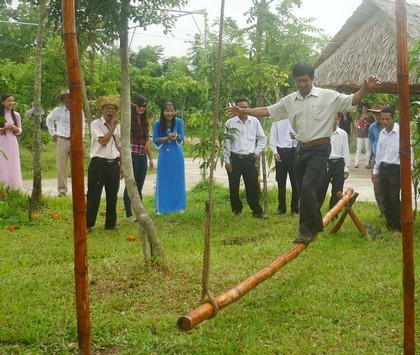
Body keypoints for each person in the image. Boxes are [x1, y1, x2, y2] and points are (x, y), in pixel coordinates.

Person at [225, 62, 380, 244]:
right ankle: (316, 224)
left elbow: (351, 100)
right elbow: (268, 111)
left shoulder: (327, 96)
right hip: (300, 149)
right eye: (298, 81)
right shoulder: (290, 100)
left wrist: (365, 88)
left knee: (307, 188)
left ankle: (305, 231)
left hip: (320, 150)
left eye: (305, 81)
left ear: (312, 79)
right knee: (301, 190)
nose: (302, 85)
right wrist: (243, 111)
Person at [223, 97, 267, 219]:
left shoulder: (254, 121)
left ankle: (257, 211)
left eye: (245, 107)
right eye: (240, 107)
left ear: (249, 107)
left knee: (252, 185)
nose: (243, 109)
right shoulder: (230, 123)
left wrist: (257, 152)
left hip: (249, 159)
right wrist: (227, 161)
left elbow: (263, 138)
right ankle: (236, 210)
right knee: (234, 185)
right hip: (235, 159)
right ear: (236, 108)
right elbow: (226, 144)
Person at [86, 96, 121, 232]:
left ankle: (111, 224)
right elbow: (103, 142)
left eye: (113, 109)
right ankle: (88, 224)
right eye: (107, 108)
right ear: (102, 110)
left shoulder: (118, 125)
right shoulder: (96, 124)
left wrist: (122, 165)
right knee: (94, 195)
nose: (110, 111)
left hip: (113, 164)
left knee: (112, 195)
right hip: (98, 164)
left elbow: (120, 146)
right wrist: (112, 128)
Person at [372, 106, 408, 233]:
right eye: (382, 119)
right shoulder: (382, 133)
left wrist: (410, 168)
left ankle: (397, 227)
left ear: (393, 118)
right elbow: (379, 154)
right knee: (384, 197)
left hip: (395, 169)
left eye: (387, 119)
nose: (384, 122)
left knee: (393, 197)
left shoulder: (401, 132)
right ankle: (390, 224)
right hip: (383, 168)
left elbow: (410, 152)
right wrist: (375, 170)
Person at [46, 89, 85, 197]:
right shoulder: (58, 110)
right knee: (61, 166)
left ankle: (78, 189)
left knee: (76, 166)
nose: (67, 100)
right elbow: (49, 119)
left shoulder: (78, 110)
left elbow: (82, 125)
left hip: (75, 141)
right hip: (62, 139)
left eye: (69, 97)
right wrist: (53, 134)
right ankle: (62, 190)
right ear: (62, 100)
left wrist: (80, 139)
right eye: (65, 98)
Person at [123, 94, 154, 222]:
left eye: (144, 106)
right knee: (131, 185)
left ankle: (139, 212)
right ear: (133, 105)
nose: (142, 108)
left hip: (142, 157)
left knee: (140, 186)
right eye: (139, 106)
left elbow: (146, 142)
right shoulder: (128, 120)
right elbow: (124, 140)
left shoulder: (145, 122)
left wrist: (151, 158)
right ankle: (129, 214)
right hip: (131, 156)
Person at [153, 101, 186, 214]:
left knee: (178, 180)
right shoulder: (157, 123)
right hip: (164, 156)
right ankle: (162, 208)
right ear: (163, 112)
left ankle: (179, 207)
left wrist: (177, 136)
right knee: (164, 180)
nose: (169, 113)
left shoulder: (179, 122)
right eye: (167, 110)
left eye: (171, 110)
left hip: (177, 155)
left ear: (174, 111)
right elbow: (155, 140)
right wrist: (167, 138)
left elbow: (182, 137)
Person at [317, 113, 350, 211]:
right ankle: (315, 212)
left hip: (338, 163)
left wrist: (346, 167)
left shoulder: (343, 134)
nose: (333, 122)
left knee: (337, 190)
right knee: (320, 189)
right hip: (325, 163)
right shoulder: (322, 133)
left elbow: (346, 151)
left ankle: (333, 213)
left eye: (335, 119)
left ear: (338, 119)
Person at [269, 118, 299, 216]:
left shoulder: (297, 118)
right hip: (281, 152)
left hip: (294, 152)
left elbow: (304, 136)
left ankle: (295, 208)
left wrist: (297, 137)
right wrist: (275, 152)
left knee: (295, 182)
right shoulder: (277, 119)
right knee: (281, 181)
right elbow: (273, 136)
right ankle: (281, 207)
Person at [0, 93, 23, 190]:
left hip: (12, 141)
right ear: (2, 102)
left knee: (13, 162)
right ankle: (3, 186)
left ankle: (14, 187)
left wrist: (15, 129)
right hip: (1, 140)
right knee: (2, 162)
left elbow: (20, 130)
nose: (11, 103)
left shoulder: (16, 115)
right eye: (8, 101)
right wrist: (5, 128)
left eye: (12, 101)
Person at [368, 102, 386, 216]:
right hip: (376, 158)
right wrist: (369, 160)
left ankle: (391, 209)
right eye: (375, 114)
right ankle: (383, 211)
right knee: (377, 187)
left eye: (379, 114)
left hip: (387, 160)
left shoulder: (391, 126)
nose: (377, 116)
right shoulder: (372, 127)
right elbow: (371, 143)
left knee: (389, 186)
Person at [354, 103, 374, 169]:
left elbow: (373, 124)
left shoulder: (370, 116)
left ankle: (367, 163)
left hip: (367, 134)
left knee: (368, 148)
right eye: (363, 108)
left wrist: (367, 123)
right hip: (360, 134)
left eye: (365, 108)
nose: (364, 109)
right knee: (358, 148)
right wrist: (357, 126)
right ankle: (356, 163)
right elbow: (357, 123)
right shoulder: (359, 116)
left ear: (367, 109)